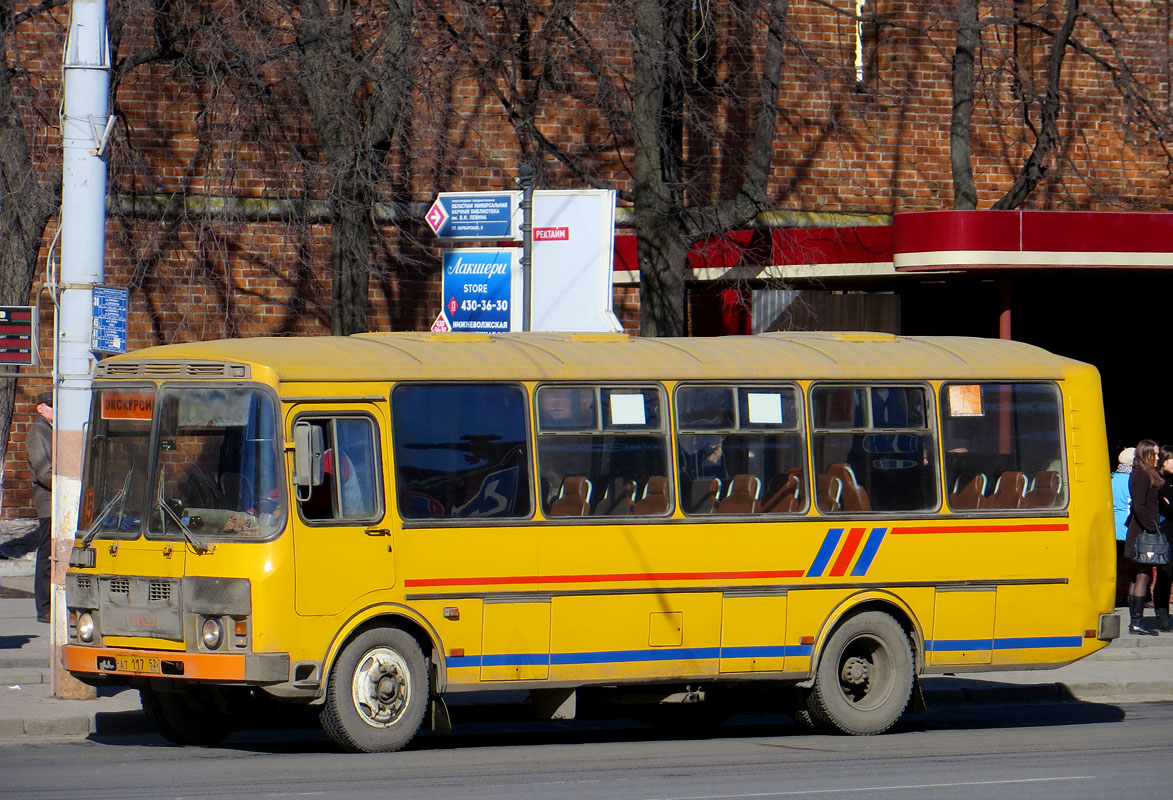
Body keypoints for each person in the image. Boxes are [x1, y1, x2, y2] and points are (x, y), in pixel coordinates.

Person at [1125, 439, 1163, 635]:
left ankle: (1135, 621)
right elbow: (1139, 506)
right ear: (1145, 454)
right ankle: (1136, 622)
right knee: (1142, 576)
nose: (1158, 458)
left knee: (1137, 577)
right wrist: (1153, 527)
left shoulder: (1142, 473)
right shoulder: (1141, 474)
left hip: (1139, 532)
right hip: (1142, 534)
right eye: (1154, 454)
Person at [26, 391, 53, 623]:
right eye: (51, 406)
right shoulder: (38, 433)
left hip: (56, 502)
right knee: (47, 555)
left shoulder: (50, 431)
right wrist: (66, 487)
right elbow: (44, 472)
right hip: (49, 502)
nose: (55, 410)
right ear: (40, 408)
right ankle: (44, 607)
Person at [1112, 447, 1135, 606]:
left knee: (1116, 563)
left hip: (1111, 526)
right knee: (1129, 564)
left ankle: (1116, 595)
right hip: (1127, 527)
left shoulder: (1112, 477)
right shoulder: (1132, 479)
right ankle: (1126, 595)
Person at [1155, 445, 1173, 632]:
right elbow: (1166, 508)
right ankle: (1162, 616)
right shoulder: (1160, 482)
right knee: (1164, 576)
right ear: (1165, 461)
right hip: (1167, 535)